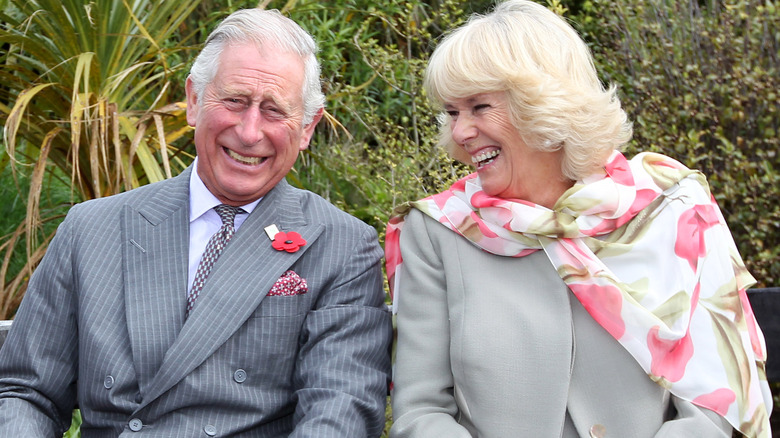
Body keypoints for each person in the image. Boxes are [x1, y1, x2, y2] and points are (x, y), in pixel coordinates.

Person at [384, 1, 772, 437]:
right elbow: (421, 411)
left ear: (542, 103)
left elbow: (717, 401)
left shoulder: (672, 206)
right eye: (453, 112)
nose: (459, 132)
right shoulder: (437, 230)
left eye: (479, 106)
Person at [0, 8, 392, 437]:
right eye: (235, 101)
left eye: (274, 111)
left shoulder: (342, 246)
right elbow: (26, 392)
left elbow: (340, 410)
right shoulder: (91, 229)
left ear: (306, 128)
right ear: (193, 100)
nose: (248, 131)